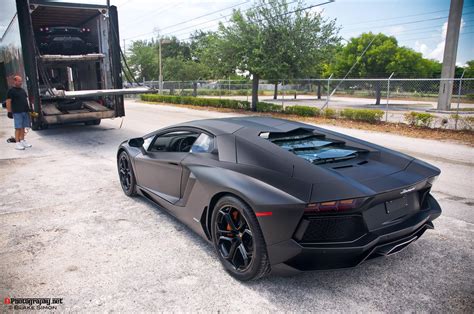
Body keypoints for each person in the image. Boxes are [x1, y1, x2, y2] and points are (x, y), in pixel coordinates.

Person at [6, 75, 32, 150]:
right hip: (17, 112)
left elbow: (25, 100)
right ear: (14, 81)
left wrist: (28, 109)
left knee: (23, 127)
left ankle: (22, 141)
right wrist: (9, 112)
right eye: (19, 81)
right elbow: (8, 101)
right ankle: (17, 143)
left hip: (24, 111)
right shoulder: (11, 91)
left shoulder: (22, 90)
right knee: (18, 128)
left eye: (21, 81)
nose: (20, 82)